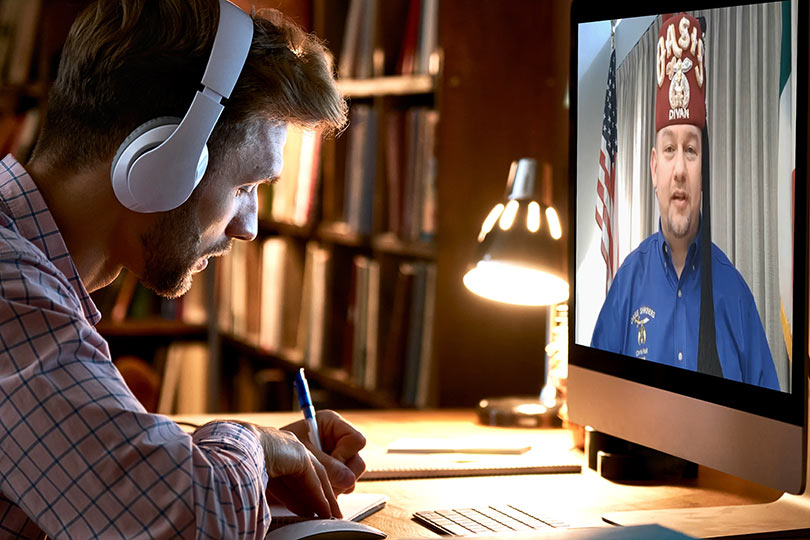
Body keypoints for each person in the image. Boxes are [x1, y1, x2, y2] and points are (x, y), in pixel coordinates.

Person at [0, 1, 365, 537]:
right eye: (244, 187)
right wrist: (251, 446)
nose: (248, 228)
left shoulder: (28, 272)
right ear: (158, 165)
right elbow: (184, 525)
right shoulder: (11, 290)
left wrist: (215, 460)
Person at [591, 12, 779, 390]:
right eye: (670, 149)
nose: (679, 170)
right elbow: (598, 411)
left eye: (691, 150)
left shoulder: (736, 296)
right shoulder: (626, 286)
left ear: (704, 169)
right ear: (653, 167)